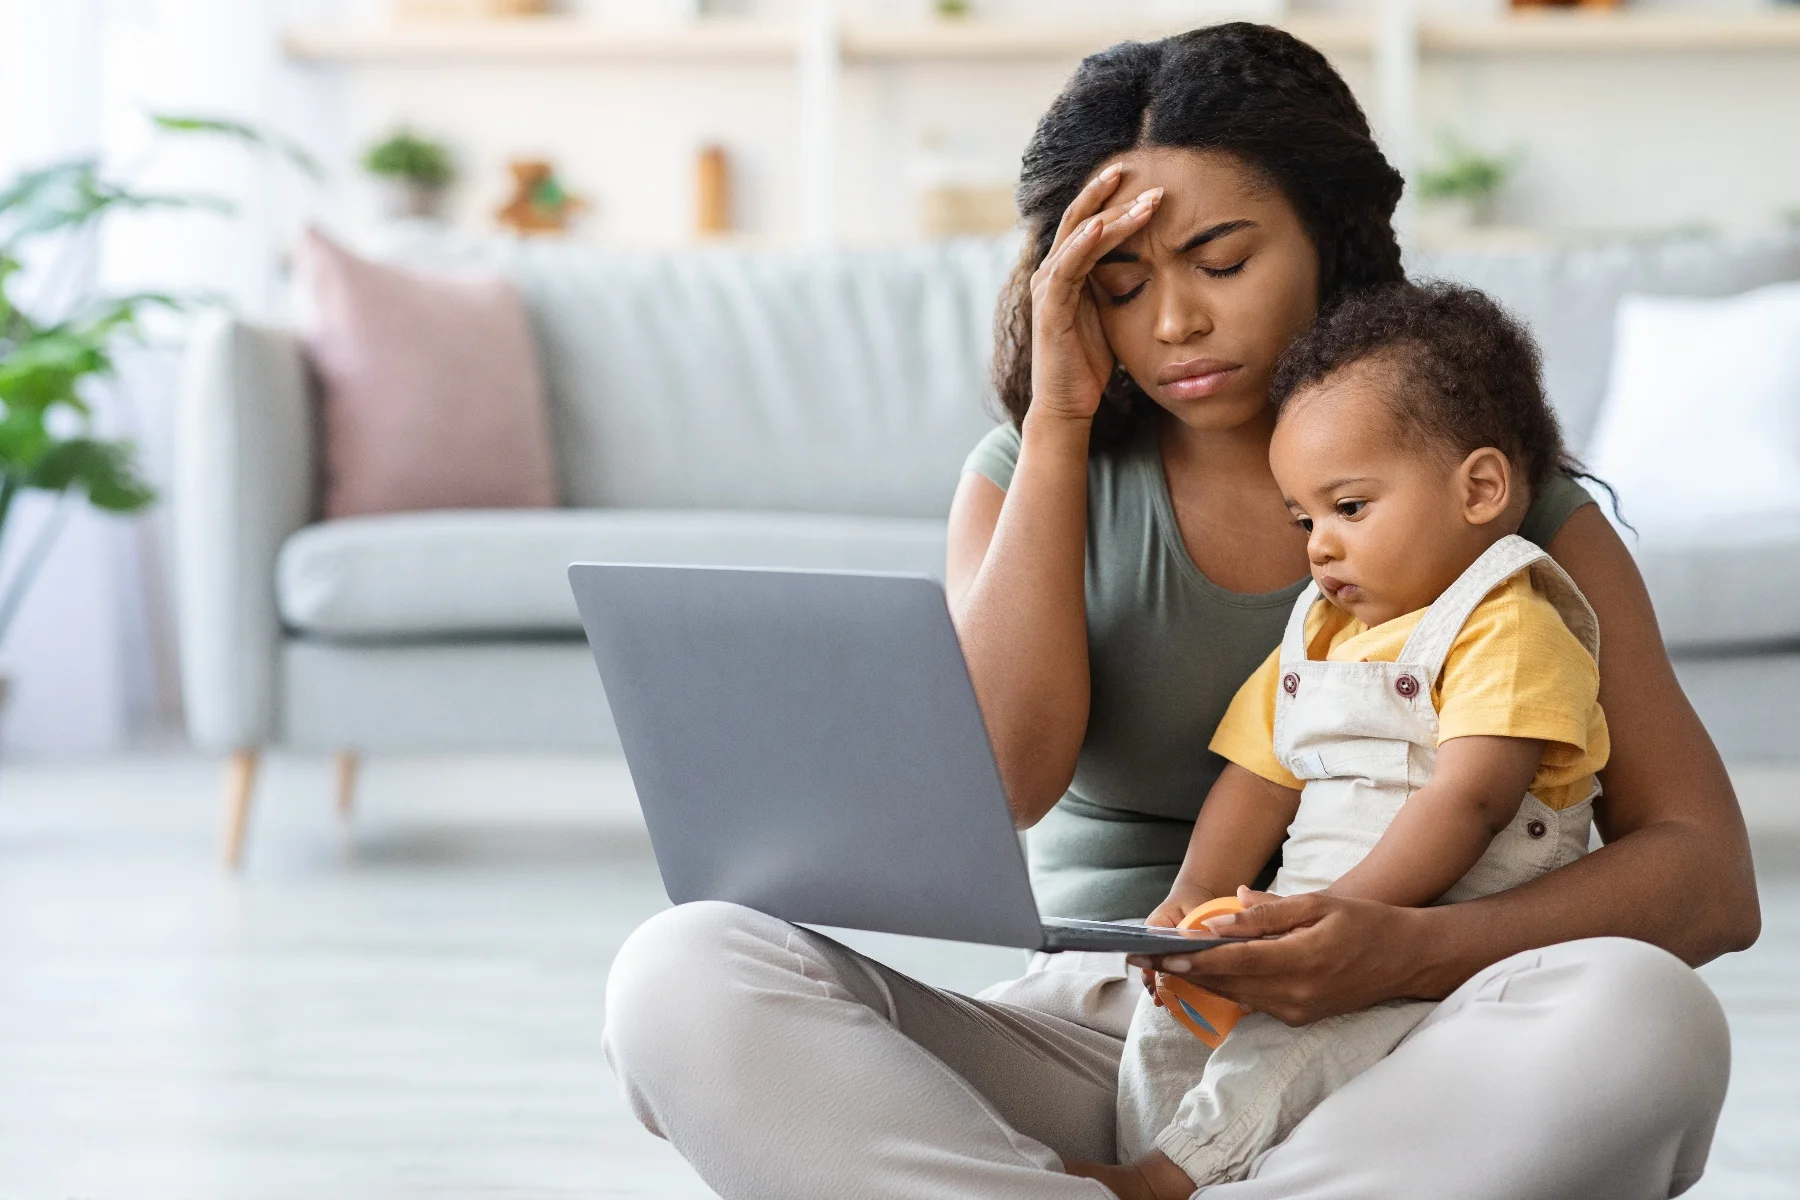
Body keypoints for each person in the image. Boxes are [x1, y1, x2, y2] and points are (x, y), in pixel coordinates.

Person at [603, 24, 1757, 1199]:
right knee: (682, 969)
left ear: (1328, 238)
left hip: (1427, 1037)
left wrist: (1406, 948)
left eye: (1221, 261)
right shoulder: (1024, 475)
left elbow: (1711, 882)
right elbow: (1004, 778)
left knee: (1647, 1016)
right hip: (1114, 1024)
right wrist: (1055, 423)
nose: (1173, 325)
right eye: (1119, 284)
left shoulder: (1499, 503)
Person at [1096, 281, 1612, 1197]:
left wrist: (1355, 926)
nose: (1318, 547)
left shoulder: (1512, 623)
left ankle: (1168, 1179)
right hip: (1309, 922)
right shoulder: (1317, 635)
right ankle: (1168, 1158)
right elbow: (1259, 778)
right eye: (1304, 519)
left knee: (1293, 1051)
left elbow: (1474, 796)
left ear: (1481, 488)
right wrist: (1191, 900)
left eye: (1350, 508)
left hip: (1429, 949)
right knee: (1169, 1024)